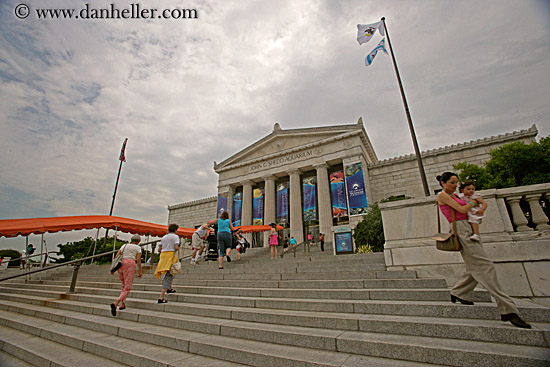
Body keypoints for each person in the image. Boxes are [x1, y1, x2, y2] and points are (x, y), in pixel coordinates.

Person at [436, 172, 531, 329]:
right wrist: (474, 203)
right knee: (486, 267)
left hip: (467, 227)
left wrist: (474, 203)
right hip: (461, 230)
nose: (455, 185)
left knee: (474, 265)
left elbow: (469, 206)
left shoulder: (454, 194)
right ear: (443, 183)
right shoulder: (442, 195)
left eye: (456, 182)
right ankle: (508, 310)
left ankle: (459, 292)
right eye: (452, 182)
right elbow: (462, 208)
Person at [110, 234, 142, 316]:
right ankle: (116, 302)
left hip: (120, 264)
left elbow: (117, 256)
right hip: (130, 264)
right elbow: (138, 260)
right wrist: (140, 271)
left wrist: (113, 269)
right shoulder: (138, 248)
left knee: (123, 285)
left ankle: (122, 304)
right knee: (127, 287)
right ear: (138, 241)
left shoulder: (124, 245)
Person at [154, 224, 180, 303]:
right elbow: (176, 247)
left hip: (163, 256)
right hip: (171, 256)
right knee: (169, 275)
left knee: (172, 273)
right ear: (175, 230)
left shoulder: (164, 237)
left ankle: (170, 288)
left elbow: (159, 249)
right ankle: (161, 297)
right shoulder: (175, 237)